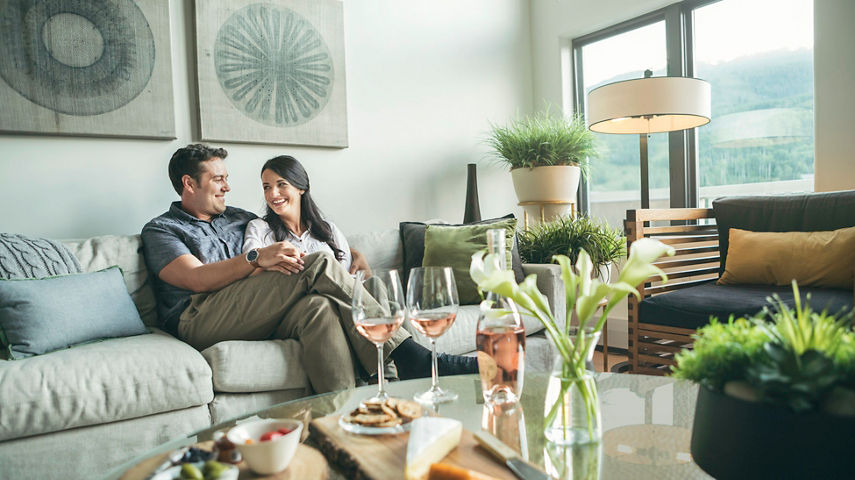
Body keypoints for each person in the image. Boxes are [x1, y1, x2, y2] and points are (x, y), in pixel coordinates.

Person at [141, 144, 475, 394]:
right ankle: (411, 356)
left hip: (253, 307)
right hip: (201, 317)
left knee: (319, 308)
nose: (227, 187)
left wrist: (353, 252)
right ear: (189, 183)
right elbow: (196, 279)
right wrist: (257, 258)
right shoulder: (163, 230)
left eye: (226, 179)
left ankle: (346, 412)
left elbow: (297, 234)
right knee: (317, 262)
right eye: (218, 180)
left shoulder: (238, 217)